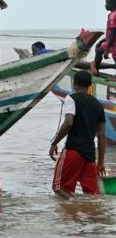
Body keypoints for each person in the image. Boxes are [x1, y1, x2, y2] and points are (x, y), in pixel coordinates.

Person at [49, 70, 106, 198]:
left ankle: (74, 207)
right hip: (90, 154)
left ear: (74, 84)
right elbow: (101, 134)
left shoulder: (71, 98)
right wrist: (101, 161)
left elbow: (69, 122)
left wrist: (54, 143)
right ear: (90, 85)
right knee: (92, 193)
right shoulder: (98, 105)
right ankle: (90, 214)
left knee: (59, 188)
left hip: (73, 150)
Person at [91, 0, 116, 76]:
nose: (105, 5)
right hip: (111, 41)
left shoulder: (114, 15)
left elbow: (113, 33)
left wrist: (107, 50)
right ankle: (96, 70)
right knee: (98, 48)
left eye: (107, 3)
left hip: (113, 44)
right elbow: (110, 33)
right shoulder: (110, 15)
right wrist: (103, 40)